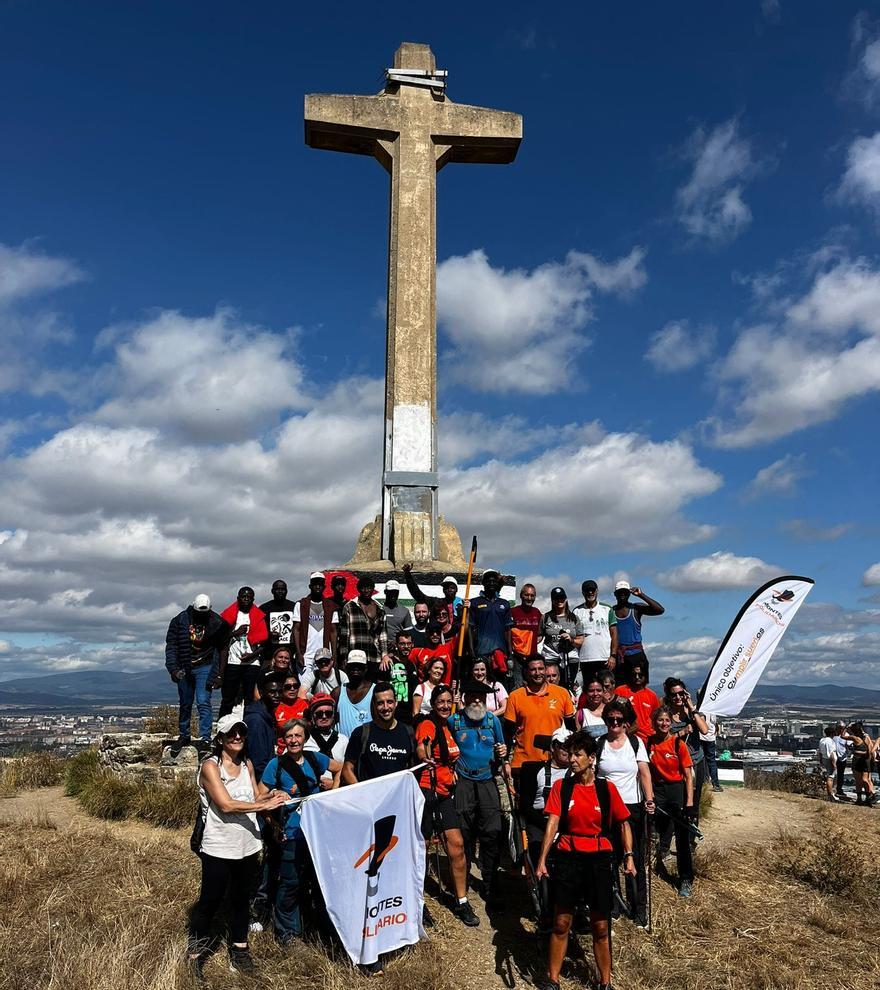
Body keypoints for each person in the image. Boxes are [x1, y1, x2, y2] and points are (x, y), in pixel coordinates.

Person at [187, 715, 287, 979]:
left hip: (247, 844)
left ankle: (240, 951)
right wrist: (263, 804)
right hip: (219, 846)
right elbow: (226, 804)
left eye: (241, 732)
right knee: (210, 900)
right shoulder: (211, 767)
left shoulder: (247, 764)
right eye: (231, 733)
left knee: (242, 899)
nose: (238, 737)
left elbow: (255, 797)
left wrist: (274, 796)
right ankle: (195, 955)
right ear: (220, 738)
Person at [535, 730, 635, 990]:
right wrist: (542, 859)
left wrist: (629, 857)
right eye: (570, 754)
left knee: (600, 926)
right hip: (568, 857)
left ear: (591, 758)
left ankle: (605, 982)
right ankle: (553, 979)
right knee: (561, 922)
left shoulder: (606, 789)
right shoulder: (562, 787)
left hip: (599, 859)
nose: (572, 759)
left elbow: (623, 823)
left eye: (578, 755)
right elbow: (553, 822)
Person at [258, 719, 340, 945]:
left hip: (317, 833)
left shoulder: (315, 759)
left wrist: (331, 794)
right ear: (283, 739)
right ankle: (288, 933)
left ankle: (323, 928)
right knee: (290, 882)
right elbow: (259, 798)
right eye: (289, 736)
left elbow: (340, 768)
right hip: (291, 833)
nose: (294, 740)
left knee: (320, 881)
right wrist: (274, 796)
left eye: (298, 735)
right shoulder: (276, 765)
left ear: (305, 738)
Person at [414, 684, 480, 926]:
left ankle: (461, 901)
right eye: (440, 701)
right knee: (421, 849)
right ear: (433, 703)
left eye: (447, 702)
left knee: (457, 846)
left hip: (444, 793)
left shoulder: (447, 726)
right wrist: (424, 756)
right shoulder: (428, 724)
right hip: (426, 791)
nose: (444, 705)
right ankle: (417, 902)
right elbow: (423, 744)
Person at [595, 699, 655, 927]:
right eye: (611, 719)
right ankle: (614, 904)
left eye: (619, 720)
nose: (615, 723)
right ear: (606, 721)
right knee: (610, 857)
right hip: (606, 808)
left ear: (625, 722)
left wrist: (649, 800)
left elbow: (644, 773)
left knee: (634, 857)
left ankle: (638, 908)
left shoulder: (635, 743)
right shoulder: (599, 744)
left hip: (632, 807)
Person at [449, 680, 507, 908]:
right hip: (463, 781)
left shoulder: (493, 721)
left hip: (487, 779)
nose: (476, 700)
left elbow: (502, 748)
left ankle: (490, 882)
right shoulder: (454, 721)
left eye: (480, 697)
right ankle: (463, 877)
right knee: (464, 830)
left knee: (492, 831)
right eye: (472, 696)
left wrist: (503, 752)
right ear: (464, 698)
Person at [518, 726, 571, 930]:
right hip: (540, 820)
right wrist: (547, 824)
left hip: (566, 822)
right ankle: (545, 903)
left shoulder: (576, 773)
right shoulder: (535, 771)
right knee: (537, 848)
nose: (566, 750)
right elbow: (525, 806)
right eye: (562, 746)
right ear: (553, 747)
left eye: (569, 746)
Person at [165, 594, 229, 748]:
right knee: (185, 702)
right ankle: (184, 735)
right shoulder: (180, 621)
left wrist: (220, 675)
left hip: (205, 666)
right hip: (184, 666)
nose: (201, 616)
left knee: (203, 701)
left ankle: (205, 738)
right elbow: (172, 646)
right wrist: (173, 669)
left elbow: (223, 649)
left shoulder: (217, 623)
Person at [503, 657, 576, 788]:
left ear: (545, 670)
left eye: (541, 668)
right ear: (526, 672)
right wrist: (505, 762)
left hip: (555, 763)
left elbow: (572, 730)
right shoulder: (515, 696)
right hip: (524, 762)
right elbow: (508, 733)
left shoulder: (562, 693)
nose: (537, 673)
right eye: (533, 669)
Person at [648, 705, 695, 897]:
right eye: (660, 720)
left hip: (676, 790)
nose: (664, 723)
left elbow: (688, 776)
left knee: (682, 837)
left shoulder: (678, 744)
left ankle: (686, 879)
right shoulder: (648, 743)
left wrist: (689, 803)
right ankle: (653, 866)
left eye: (667, 720)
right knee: (655, 831)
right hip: (657, 790)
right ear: (654, 722)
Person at [342, 682, 421, 783]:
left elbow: (414, 769)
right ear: (374, 704)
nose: (385, 707)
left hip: (399, 792)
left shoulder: (408, 732)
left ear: (396, 702)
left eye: (389, 702)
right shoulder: (361, 733)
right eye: (380, 703)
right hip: (370, 792)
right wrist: (361, 791)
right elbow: (347, 769)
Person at [664, 678, 709, 832]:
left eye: (681, 693)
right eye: (674, 695)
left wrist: (691, 707)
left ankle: (691, 834)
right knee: (679, 799)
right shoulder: (666, 715)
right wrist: (682, 732)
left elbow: (704, 730)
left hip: (696, 760)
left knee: (694, 798)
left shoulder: (692, 712)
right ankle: (676, 830)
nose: (678, 697)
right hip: (677, 764)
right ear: (669, 696)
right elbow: (664, 740)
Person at [218, 587, 269, 718]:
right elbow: (219, 637)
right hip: (233, 661)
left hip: (252, 663)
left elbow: (264, 643)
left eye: (249, 597)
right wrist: (236, 632)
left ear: (253, 599)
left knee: (250, 698)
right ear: (238, 598)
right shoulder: (229, 615)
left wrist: (251, 656)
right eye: (243, 596)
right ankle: (223, 725)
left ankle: (248, 724)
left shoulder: (258, 616)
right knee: (228, 697)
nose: (246, 599)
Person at [338, 574, 392, 679]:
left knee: (374, 685)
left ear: (373, 589)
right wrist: (344, 657)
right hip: (355, 656)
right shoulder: (350, 607)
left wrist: (384, 655)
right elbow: (344, 635)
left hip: (374, 656)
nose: (366, 591)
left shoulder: (380, 609)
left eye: (369, 588)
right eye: (363, 588)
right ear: (359, 589)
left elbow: (382, 635)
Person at [612, 581, 664, 684]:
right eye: (620, 592)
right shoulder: (610, 611)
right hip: (619, 656)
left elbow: (659, 610)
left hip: (636, 655)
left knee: (640, 685)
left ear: (629, 594)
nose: (622, 595)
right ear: (615, 594)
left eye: (625, 592)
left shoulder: (636, 609)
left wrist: (641, 595)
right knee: (620, 687)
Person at [467, 568, 513, 681]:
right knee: (481, 683)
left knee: (499, 684)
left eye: (494, 581)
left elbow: (508, 630)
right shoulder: (474, 603)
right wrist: (471, 651)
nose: (491, 583)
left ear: (497, 584)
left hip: (500, 652)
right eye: (488, 581)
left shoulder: (505, 604)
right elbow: (470, 628)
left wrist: (510, 653)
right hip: (481, 652)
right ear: (483, 583)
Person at [292, 572, 339, 675]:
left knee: (323, 684)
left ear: (324, 587)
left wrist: (334, 655)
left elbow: (333, 631)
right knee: (305, 684)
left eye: (320, 584)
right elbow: (296, 629)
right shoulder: (301, 604)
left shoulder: (331, 606)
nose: (318, 587)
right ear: (310, 586)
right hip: (306, 655)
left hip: (325, 655)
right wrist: (299, 653)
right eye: (315, 584)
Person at [573, 580, 618, 685]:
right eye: (587, 590)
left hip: (605, 659)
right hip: (585, 659)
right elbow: (574, 635)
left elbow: (614, 634)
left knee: (606, 688)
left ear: (597, 591)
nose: (590, 593)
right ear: (583, 592)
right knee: (589, 689)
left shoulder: (607, 609)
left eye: (592, 590)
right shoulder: (576, 611)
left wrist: (613, 656)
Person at [540, 587, 585, 693]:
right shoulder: (545, 617)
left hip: (570, 657)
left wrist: (571, 640)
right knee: (550, 685)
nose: (559, 601)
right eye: (556, 598)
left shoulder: (574, 618)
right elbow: (538, 637)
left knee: (568, 686)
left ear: (566, 599)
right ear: (552, 600)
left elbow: (581, 640)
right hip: (550, 657)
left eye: (561, 598)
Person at [244, 671, 285, 779]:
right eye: (272, 692)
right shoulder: (256, 720)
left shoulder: (268, 713)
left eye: (280, 691)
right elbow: (258, 762)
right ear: (261, 693)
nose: (277, 696)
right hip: (262, 779)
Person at [402, 564, 462, 632]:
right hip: (438, 637)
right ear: (443, 590)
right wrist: (407, 575)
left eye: (452, 587)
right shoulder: (436, 603)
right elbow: (417, 595)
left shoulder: (462, 604)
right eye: (446, 587)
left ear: (456, 589)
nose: (449, 590)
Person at [615, 663, 660, 743]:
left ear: (645, 676)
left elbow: (656, 718)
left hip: (647, 738)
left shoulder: (652, 695)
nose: (637, 677)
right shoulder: (621, 691)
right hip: (626, 737)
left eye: (640, 675)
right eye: (634, 674)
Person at [304, 693, 349, 772]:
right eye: (319, 714)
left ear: (333, 715)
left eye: (328, 713)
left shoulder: (343, 740)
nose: (324, 717)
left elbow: (348, 768)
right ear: (312, 716)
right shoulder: (304, 740)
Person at [510, 583, 542, 690]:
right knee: (518, 687)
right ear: (521, 595)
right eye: (526, 595)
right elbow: (507, 633)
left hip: (532, 658)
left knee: (532, 686)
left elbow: (541, 633)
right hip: (517, 658)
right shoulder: (513, 611)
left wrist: (531, 643)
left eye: (532, 595)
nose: (529, 598)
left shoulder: (537, 613)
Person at [336, 650, 375, 737]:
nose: (356, 669)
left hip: (368, 744)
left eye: (359, 666)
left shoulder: (374, 691)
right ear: (346, 668)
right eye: (352, 666)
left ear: (365, 668)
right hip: (344, 745)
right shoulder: (337, 693)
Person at [259, 580, 297, 664]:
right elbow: (259, 630)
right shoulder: (264, 608)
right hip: (269, 654)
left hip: (290, 654)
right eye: (277, 589)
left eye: (283, 589)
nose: (280, 592)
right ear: (272, 591)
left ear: (286, 591)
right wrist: (269, 634)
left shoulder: (294, 607)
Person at [388, 630, 420, 724]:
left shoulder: (413, 665)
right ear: (396, 645)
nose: (406, 647)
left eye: (408, 643)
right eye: (402, 644)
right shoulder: (389, 662)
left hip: (408, 718)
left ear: (412, 644)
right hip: (391, 715)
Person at [273, 674, 309, 753]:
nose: (292, 689)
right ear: (282, 688)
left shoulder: (306, 704)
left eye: (295, 686)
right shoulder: (275, 707)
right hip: (282, 749)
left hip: (304, 747)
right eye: (288, 687)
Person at [843, 722, 877, 805]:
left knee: (858, 780)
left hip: (858, 759)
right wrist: (871, 759)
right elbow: (870, 749)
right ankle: (869, 796)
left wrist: (845, 728)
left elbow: (842, 736)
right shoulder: (866, 736)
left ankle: (860, 798)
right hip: (866, 760)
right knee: (866, 779)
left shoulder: (854, 738)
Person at [700, 712, 723, 792]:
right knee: (712, 761)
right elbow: (715, 724)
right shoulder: (713, 711)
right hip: (710, 738)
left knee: (700, 760)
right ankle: (716, 784)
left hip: (701, 737)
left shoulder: (699, 709)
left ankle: (702, 782)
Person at [818, 725, 840, 803]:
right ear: (832, 733)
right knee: (831, 777)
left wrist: (821, 760)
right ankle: (830, 794)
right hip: (830, 760)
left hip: (824, 759)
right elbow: (831, 754)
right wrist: (834, 764)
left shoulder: (822, 740)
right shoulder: (830, 741)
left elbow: (820, 752)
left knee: (830, 776)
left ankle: (831, 793)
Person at [833, 722, 851, 800]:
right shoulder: (833, 735)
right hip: (833, 757)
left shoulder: (846, 735)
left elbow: (849, 745)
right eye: (839, 728)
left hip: (842, 758)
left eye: (842, 728)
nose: (841, 730)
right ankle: (832, 789)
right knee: (832, 774)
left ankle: (839, 789)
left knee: (841, 774)